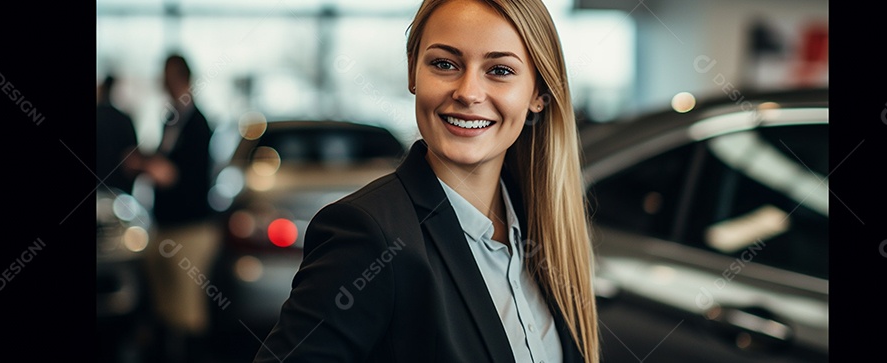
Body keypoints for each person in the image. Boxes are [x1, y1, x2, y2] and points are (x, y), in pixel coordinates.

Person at [253, 0, 599, 362]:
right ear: (412, 73)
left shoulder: (546, 230)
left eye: (499, 70)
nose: (468, 92)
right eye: (444, 64)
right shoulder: (368, 235)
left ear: (538, 95)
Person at [143, 53, 221, 363]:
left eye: (165, 75)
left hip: (190, 228)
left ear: (178, 77)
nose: (161, 81)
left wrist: (156, 169)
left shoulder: (198, 124)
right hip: (166, 225)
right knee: (165, 309)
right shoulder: (172, 119)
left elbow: (185, 174)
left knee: (189, 314)